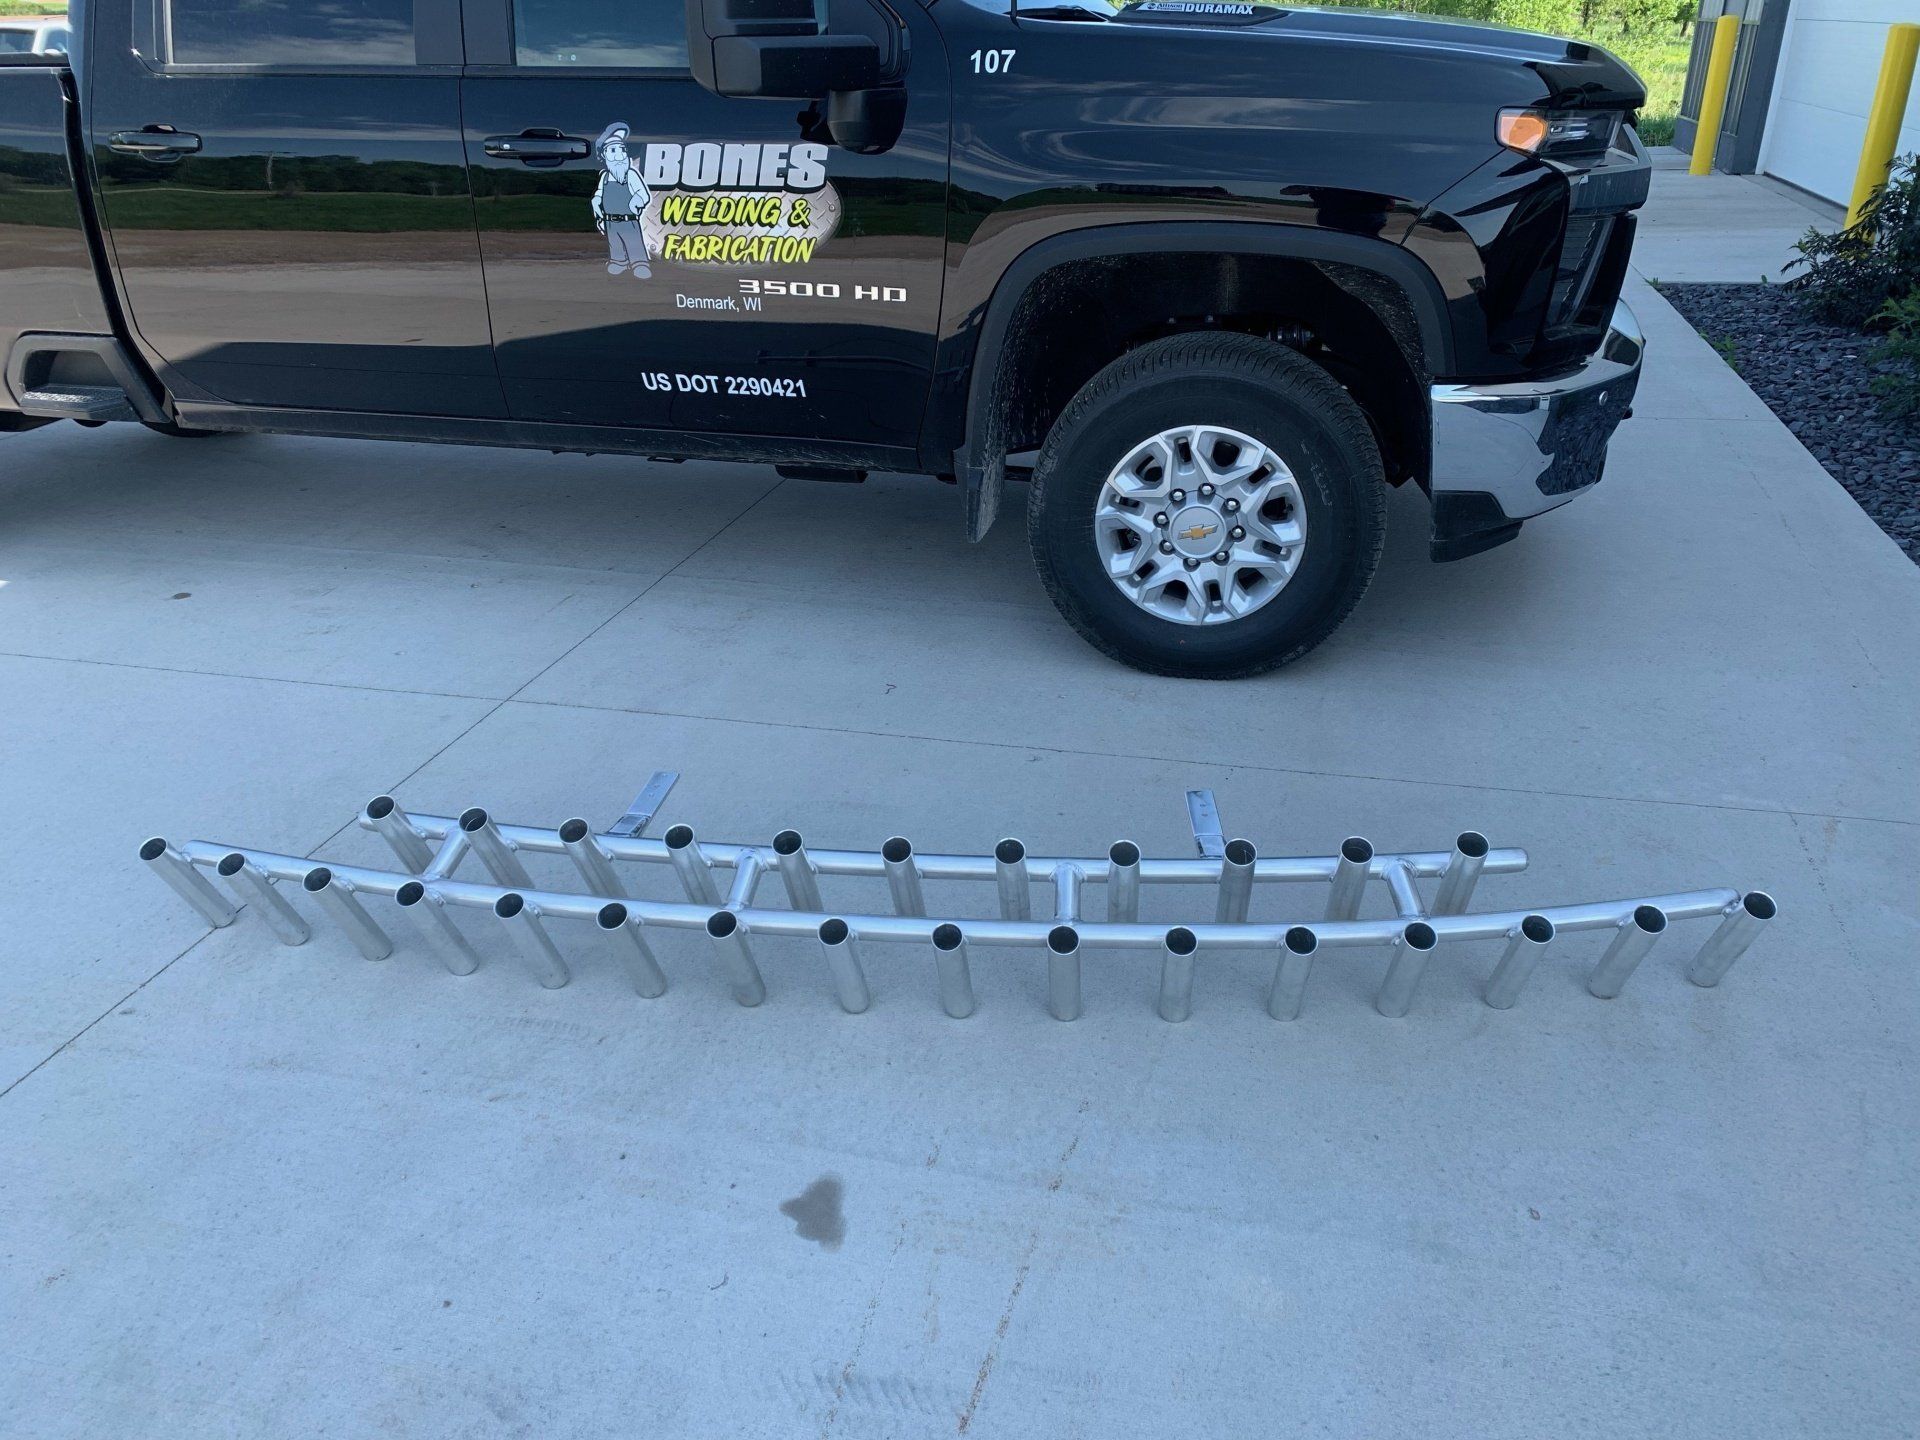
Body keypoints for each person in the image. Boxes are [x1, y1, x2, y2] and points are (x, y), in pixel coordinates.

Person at [591, 123, 652, 278]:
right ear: (604, 155)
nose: (619, 155)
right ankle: (619, 262)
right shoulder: (605, 177)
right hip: (610, 220)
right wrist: (597, 204)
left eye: (621, 150)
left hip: (628, 219)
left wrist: (635, 202)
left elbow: (642, 193)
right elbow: (599, 194)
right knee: (615, 244)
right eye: (613, 150)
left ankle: (640, 264)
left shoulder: (630, 174)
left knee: (633, 242)